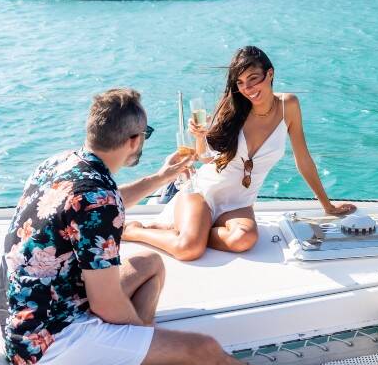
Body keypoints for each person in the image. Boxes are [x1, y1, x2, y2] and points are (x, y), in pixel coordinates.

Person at [0, 87, 378, 365]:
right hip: (50, 339)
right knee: (202, 350)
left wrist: (162, 177)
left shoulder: (60, 164)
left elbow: (107, 200)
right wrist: (152, 348)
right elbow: (106, 304)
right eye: (145, 134)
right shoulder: (99, 201)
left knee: (149, 263)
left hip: (26, 314)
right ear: (133, 141)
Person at [125, 46, 356, 261]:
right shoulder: (232, 110)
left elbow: (303, 158)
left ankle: (192, 230)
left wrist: (327, 205)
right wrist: (199, 137)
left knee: (244, 239)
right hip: (204, 193)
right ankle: (134, 231)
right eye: (241, 82)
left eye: (253, 78)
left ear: (270, 74)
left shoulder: (289, 106)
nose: (248, 89)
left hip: (239, 203)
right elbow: (205, 158)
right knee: (189, 249)